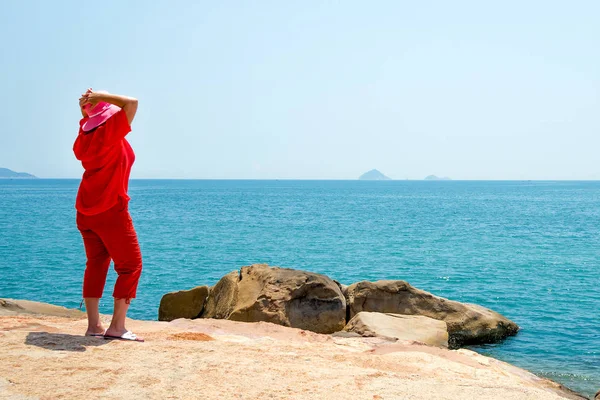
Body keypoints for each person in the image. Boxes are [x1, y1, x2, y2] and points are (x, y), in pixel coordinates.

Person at [73, 88, 144, 342]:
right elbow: (132, 103)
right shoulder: (110, 132)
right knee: (131, 266)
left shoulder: (85, 137)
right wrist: (101, 96)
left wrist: (87, 111)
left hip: (86, 210)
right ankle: (117, 327)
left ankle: (93, 325)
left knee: (96, 263)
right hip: (111, 210)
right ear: (109, 119)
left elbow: (88, 124)